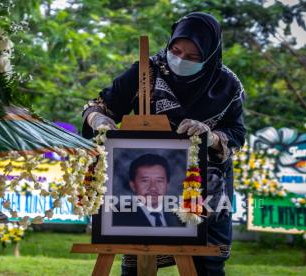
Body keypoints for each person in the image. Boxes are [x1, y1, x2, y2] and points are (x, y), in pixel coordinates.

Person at [82, 12, 245, 276]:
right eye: (176, 50)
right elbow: (99, 106)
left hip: (204, 185)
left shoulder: (226, 84)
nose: (180, 60)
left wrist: (212, 136)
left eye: (193, 57)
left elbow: (237, 133)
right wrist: (99, 119)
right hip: (148, 178)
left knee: (206, 265)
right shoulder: (147, 71)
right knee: (138, 256)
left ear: (210, 55)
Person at [112, 153, 184, 227]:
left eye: (159, 181)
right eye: (145, 181)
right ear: (133, 186)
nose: (153, 187)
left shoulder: (180, 218)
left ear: (167, 185)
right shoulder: (116, 219)